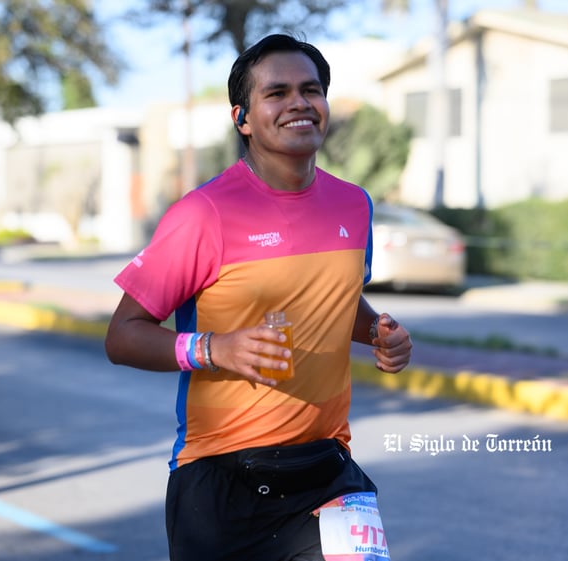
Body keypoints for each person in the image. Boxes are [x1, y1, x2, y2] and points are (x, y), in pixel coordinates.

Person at [105, 33, 413, 561]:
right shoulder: (203, 214)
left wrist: (377, 333)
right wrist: (213, 349)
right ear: (242, 118)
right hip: (220, 482)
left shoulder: (353, 205)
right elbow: (122, 335)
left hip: (326, 473)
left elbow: (339, 299)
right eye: (277, 93)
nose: (298, 102)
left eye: (310, 90)